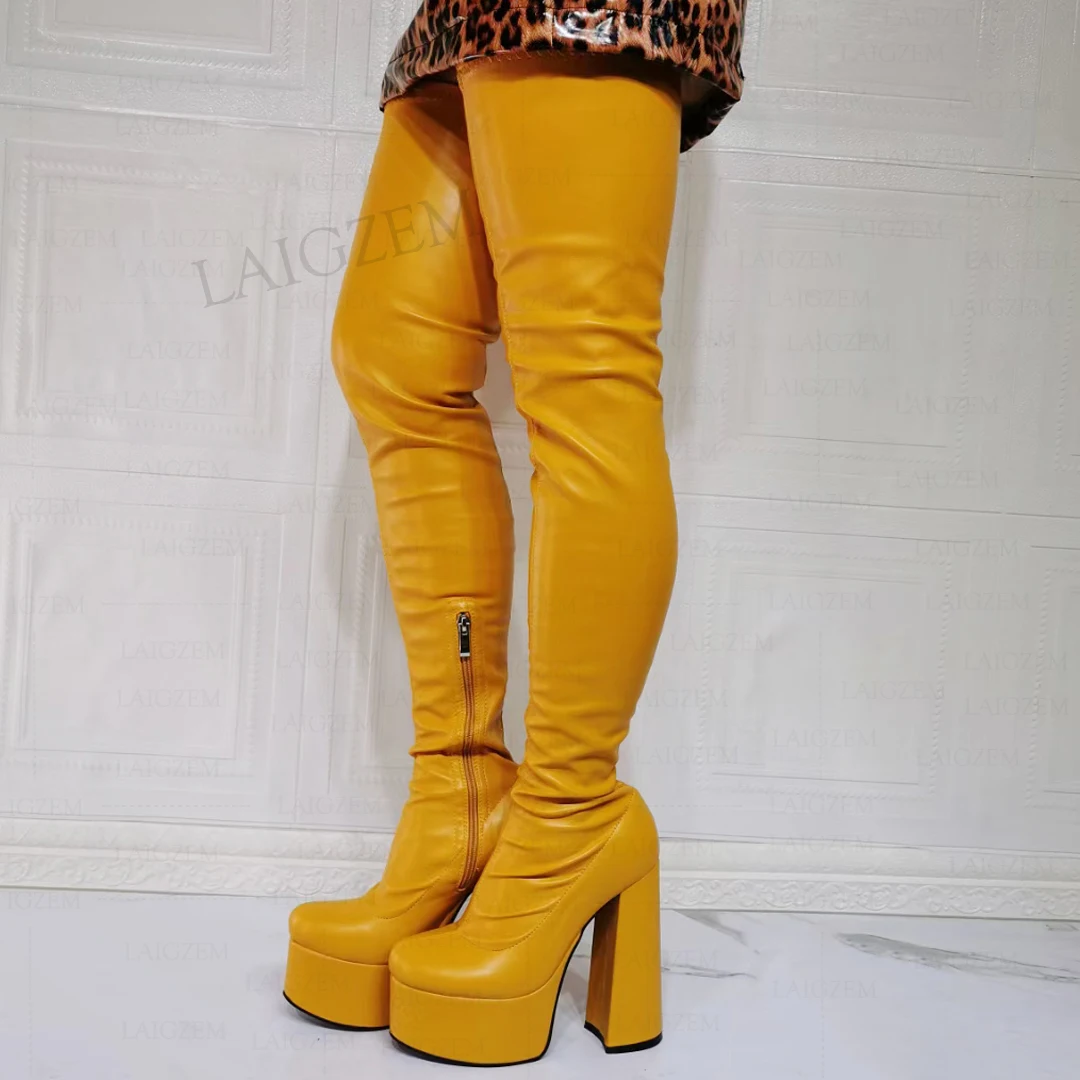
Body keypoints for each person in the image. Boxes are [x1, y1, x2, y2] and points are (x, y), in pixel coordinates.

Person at [284, 2, 746, 1065]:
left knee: (584, 362)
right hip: (457, 22)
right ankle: (460, 794)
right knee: (392, 357)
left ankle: (571, 812)